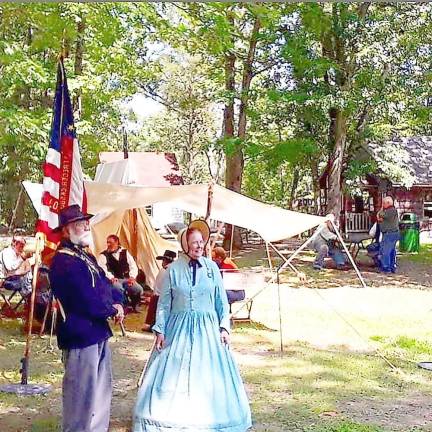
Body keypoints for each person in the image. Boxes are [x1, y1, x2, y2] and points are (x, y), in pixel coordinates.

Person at [133, 220, 252, 432]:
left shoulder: (212, 268)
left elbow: (220, 301)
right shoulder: (173, 270)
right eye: (194, 242)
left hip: (207, 329)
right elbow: (164, 303)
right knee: (175, 370)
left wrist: (224, 327)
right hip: (178, 328)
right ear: (185, 245)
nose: (199, 246)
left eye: (201, 242)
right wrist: (160, 329)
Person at [49, 205, 124, 432]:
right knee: (80, 396)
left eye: (85, 222)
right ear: (67, 229)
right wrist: (111, 310)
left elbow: (103, 283)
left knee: (101, 392)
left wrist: (118, 302)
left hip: (98, 331)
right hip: (80, 334)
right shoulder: (63, 261)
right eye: (81, 223)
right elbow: (84, 297)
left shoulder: (85, 256)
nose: (86, 226)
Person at [98, 234, 144, 312]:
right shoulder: (103, 255)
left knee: (138, 289)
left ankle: (134, 304)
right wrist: (111, 277)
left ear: (117, 242)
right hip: (113, 280)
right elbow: (102, 268)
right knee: (117, 288)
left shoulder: (125, 252)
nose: (108, 244)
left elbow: (133, 265)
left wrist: (132, 277)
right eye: (107, 242)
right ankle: (122, 306)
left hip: (126, 279)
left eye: (110, 242)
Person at [141, 249, 176, 332]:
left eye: (163, 260)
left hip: (162, 297)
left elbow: (158, 290)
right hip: (168, 297)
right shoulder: (173, 270)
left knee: (155, 300)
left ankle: (152, 324)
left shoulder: (165, 271)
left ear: (165, 261)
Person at [377, 196, 399, 273]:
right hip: (389, 233)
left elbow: (380, 214)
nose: (382, 205)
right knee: (391, 251)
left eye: (383, 203)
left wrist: (380, 213)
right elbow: (380, 217)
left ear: (388, 203)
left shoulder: (391, 210)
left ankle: (386, 268)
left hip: (390, 234)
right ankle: (392, 267)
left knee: (386, 251)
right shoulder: (389, 211)